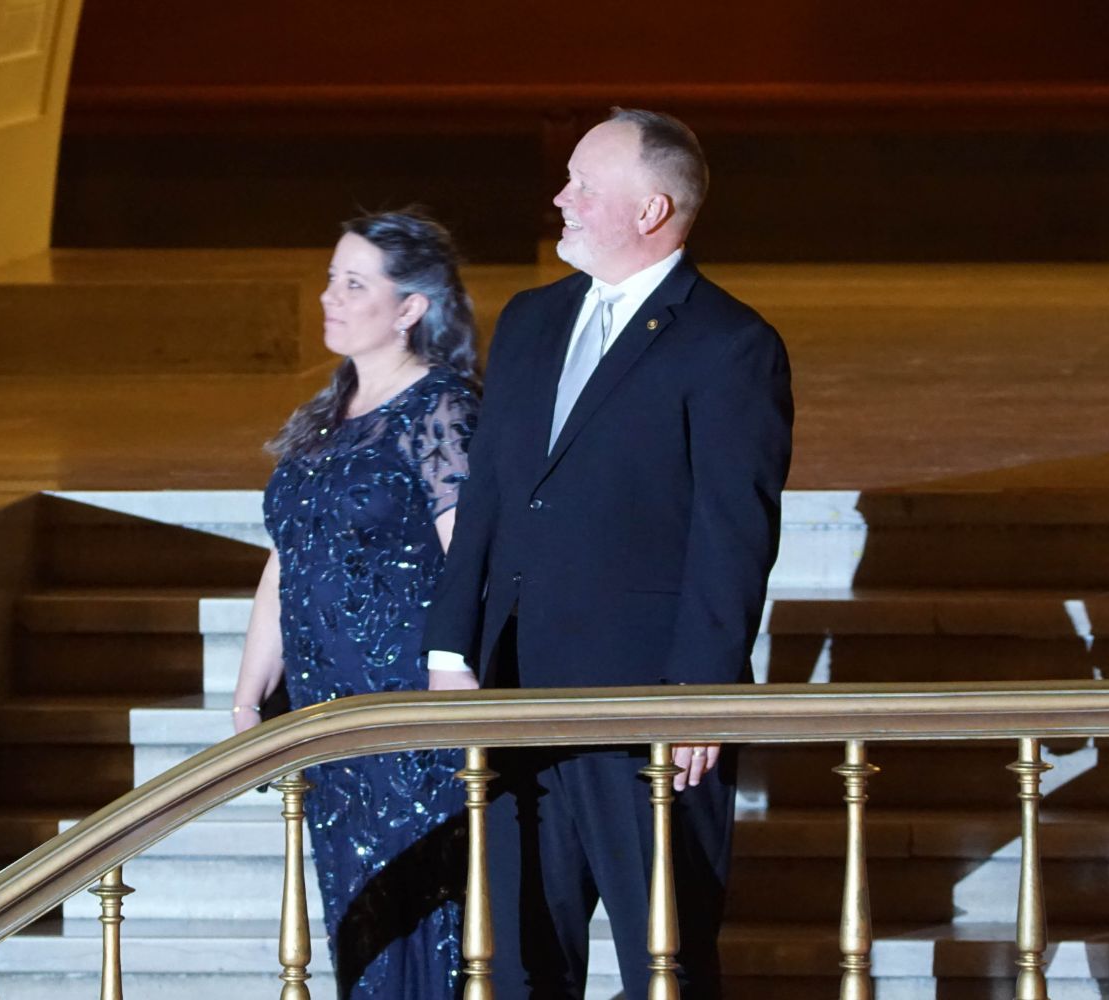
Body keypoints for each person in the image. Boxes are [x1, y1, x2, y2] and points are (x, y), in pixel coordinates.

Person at [423, 108, 794, 999]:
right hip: (513, 698)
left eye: (584, 185)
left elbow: (732, 533)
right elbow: (488, 495)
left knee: (663, 965)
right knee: (518, 966)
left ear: (651, 209)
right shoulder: (530, 319)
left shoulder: (731, 345)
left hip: (647, 712)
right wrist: (449, 647)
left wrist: (701, 692)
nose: (561, 198)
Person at [227, 209, 482, 998]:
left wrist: (455, 678)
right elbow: (287, 559)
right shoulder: (325, 415)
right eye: (331, 280)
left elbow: (469, 558)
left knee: (421, 928)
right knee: (358, 929)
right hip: (326, 721)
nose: (329, 297)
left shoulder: (441, 408)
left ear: (410, 308)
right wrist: (247, 696)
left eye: (353, 284)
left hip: (406, 715)